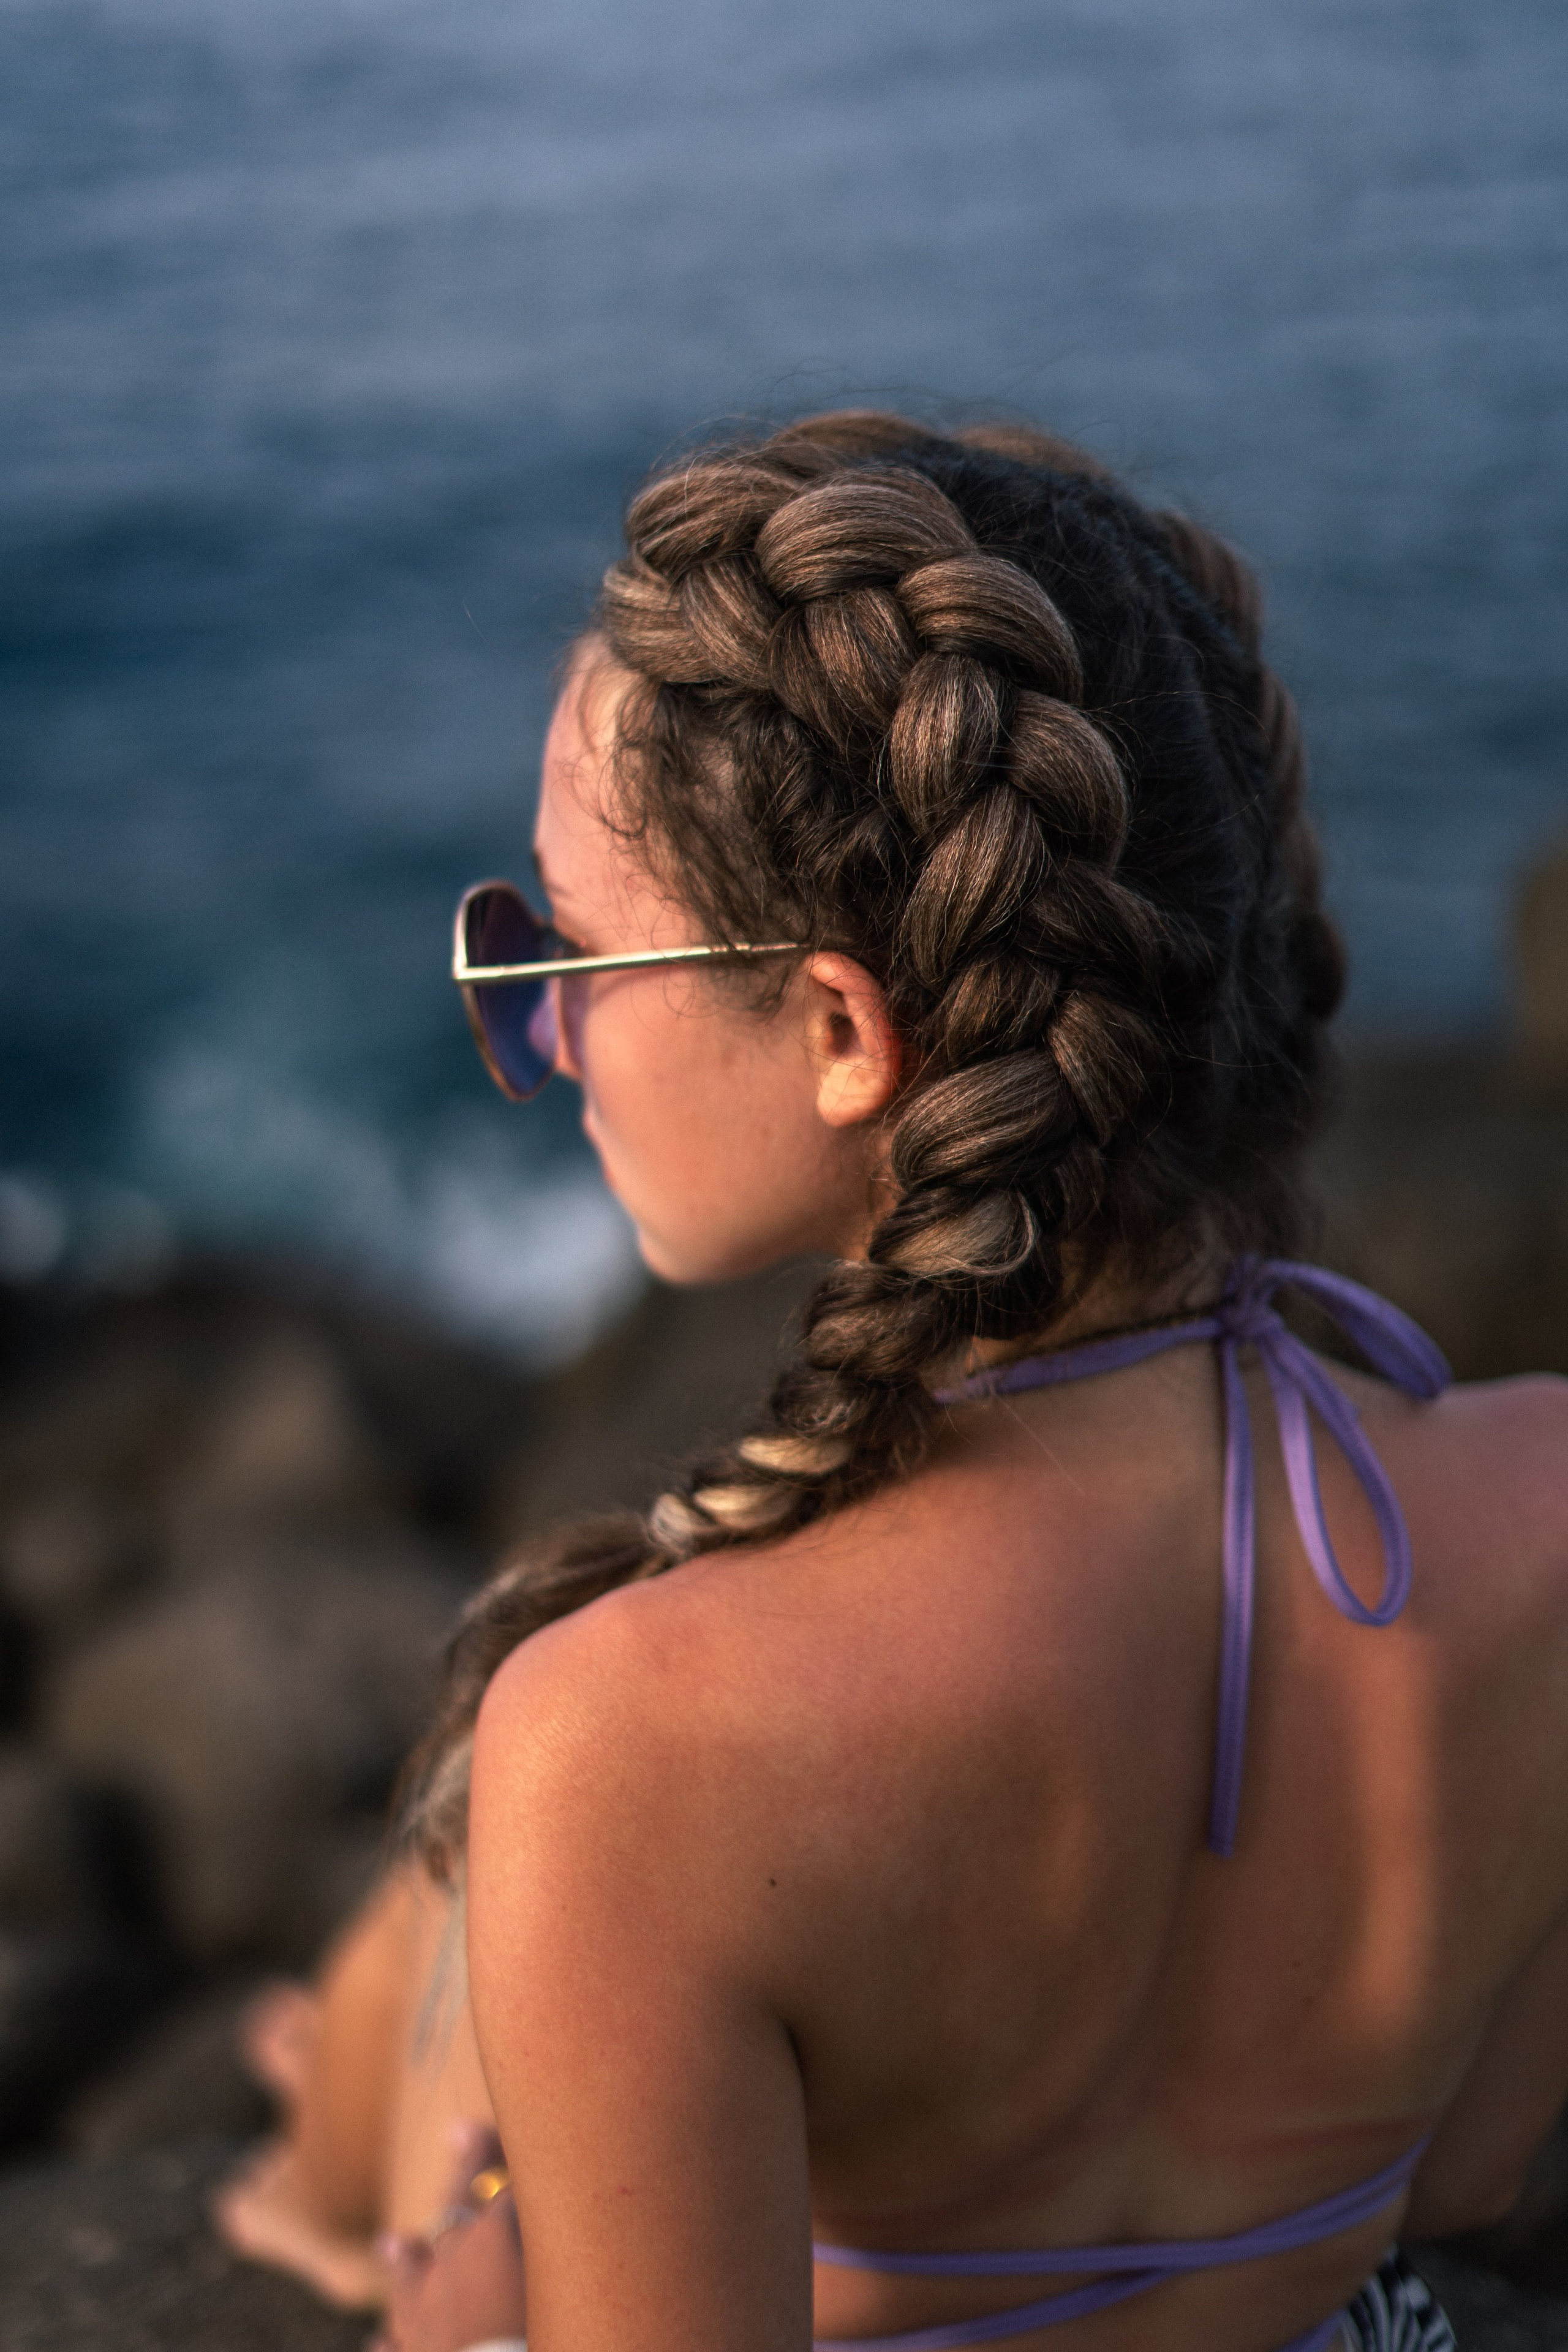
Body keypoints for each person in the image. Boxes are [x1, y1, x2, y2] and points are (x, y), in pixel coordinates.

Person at [214, 411, 1568, 2352]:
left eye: (563, 948)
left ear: (848, 1031)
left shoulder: (628, 1741)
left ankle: (306, 2197)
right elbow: (1468, 2178)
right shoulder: (1545, 1514)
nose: (550, 1027)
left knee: (447, 1965)